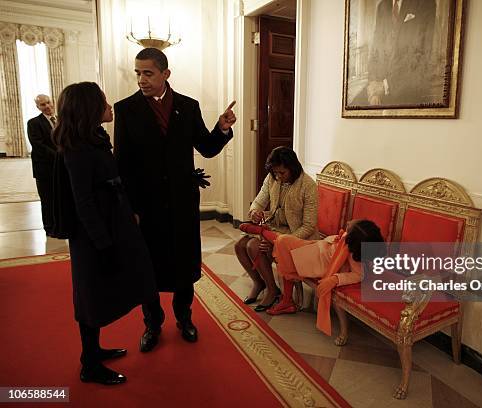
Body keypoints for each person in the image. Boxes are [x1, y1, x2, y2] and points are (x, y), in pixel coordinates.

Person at [114, 47, 236, 352]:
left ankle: (185, 318)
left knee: (184, 264)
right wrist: (129, 208)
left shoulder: (188, 106)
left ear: (166, 74)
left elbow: (207, 148)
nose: (141, 79)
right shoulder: (125, 109)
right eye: (138, 73)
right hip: (146, 206)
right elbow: (122, 163)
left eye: (148, 73)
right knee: (148, 267)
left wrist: (222, 128)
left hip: (182, 203)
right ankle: (152, 324)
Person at [53, 82, 157, 385]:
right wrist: (103, 244)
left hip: (114, 227)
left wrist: (128, 214)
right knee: (90, 297)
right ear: (89, 108)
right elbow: (83, 201)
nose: (109, 105)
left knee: (116, 287)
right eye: (103, 102)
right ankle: (90, 365)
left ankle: (93, 351)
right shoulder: (76, 147)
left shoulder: (94, 138)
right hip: (94, 236)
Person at [241, 219, 384, 335]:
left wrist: (335, 279)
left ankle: (261, 231)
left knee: (284, 242)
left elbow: (358, 275)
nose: (348, 223)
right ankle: (287, 300)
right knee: (286, 246)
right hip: (317, 247)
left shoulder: (355, 254)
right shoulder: (356, 238)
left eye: (349, 227)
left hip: (317, 261)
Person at [234, 147, 318, 312]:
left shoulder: (308, 186)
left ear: (292, 168)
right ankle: (260, 283)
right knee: (240, 245)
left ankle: (273, 291)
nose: (278, 176)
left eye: (282, 173)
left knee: (254, 246)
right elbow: (258, 202)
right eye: (275, 173)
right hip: (274, 228)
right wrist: (255, 212)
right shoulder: (272, 178)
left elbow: (309, 226)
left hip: (297, 236)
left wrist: (282, 242)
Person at [367, 0, 437, 106]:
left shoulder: (426, 3)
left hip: (409, 90)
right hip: (380, 89)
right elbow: (375, 50)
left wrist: (386, 85)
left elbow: (423, 56)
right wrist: (373, 88)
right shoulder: (382, 6)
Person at [27, 94, 57, 234]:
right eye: (43, 105)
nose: (47, 106)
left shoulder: (61, 120)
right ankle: (49, 228)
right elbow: (38, 145)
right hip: (44, 167)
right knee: (47, 199)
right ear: (38, 107)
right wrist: (59, 156)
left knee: (59, 196)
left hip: (60, 166)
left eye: (48, 102)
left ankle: (61, 224)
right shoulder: (33, 123)